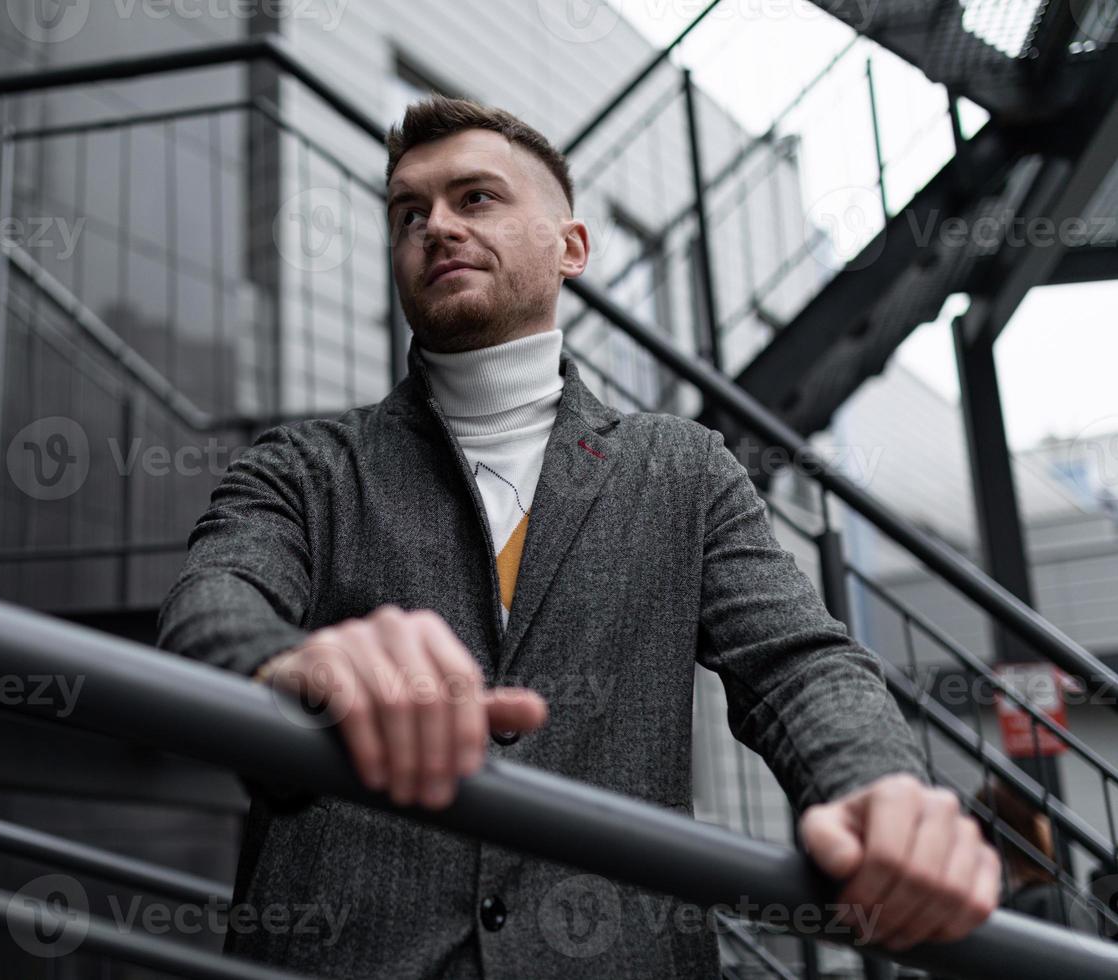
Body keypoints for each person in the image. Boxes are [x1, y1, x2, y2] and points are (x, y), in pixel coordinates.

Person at [157, 94, 999, 979]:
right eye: (410, 212)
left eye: (476, 198)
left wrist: (876, 783)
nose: (436, 226)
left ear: (572, 248)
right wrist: (293, 666)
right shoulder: (304, 466)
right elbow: (212, 606)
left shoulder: (683, 469)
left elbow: (798, 662)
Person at [975, 778, 1106, 936]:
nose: (1048, 826)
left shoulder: (982, 904)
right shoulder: (1052, 903)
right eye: (1042, 817)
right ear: (1026, 827)